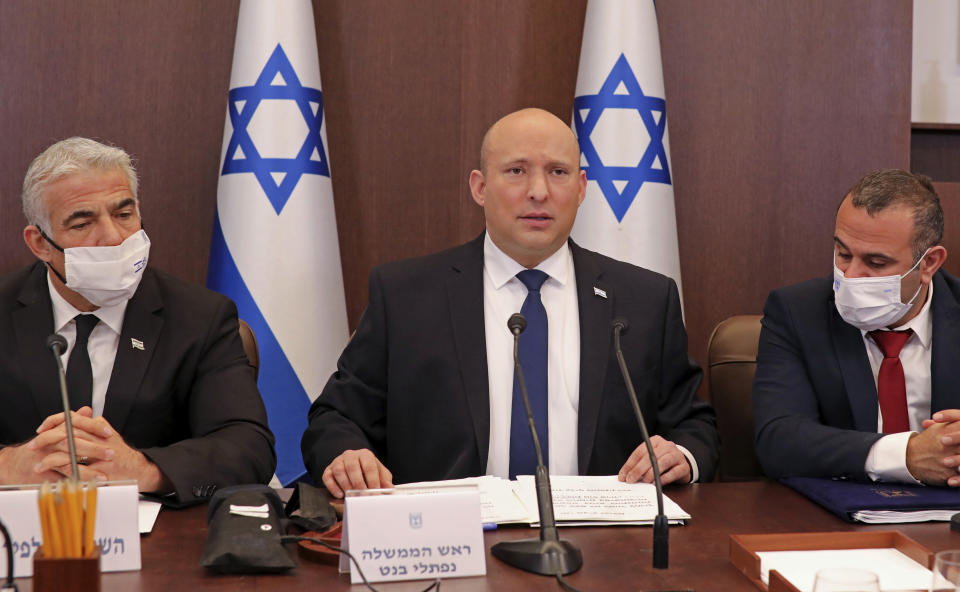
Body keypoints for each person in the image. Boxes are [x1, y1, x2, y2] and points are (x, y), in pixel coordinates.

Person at [302, 108, 718, 497]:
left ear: (581, 188)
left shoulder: (644, 298)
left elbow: (694, 425)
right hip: (451, 541)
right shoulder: (406, 295)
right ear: (480, 188)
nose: (538, 192)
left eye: (558, 172)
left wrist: (679, 455)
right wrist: (346, 455)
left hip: (603, 542)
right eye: (517, 171)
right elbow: (335, 420)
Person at [0, 137, 276, 505]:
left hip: (154, 539)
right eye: (83, 223)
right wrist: (7, 465)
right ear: (40, 244)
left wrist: (144, 470)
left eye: (123, 214)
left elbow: (248, 448)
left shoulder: (200, 318)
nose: (113, 236)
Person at [753, 169, 960, 486]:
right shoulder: (797, 312)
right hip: (842, 520)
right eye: (843, 254)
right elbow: (778, 440)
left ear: (929, 263)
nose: (850, 275)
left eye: (876, 263)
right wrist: (904, 454)